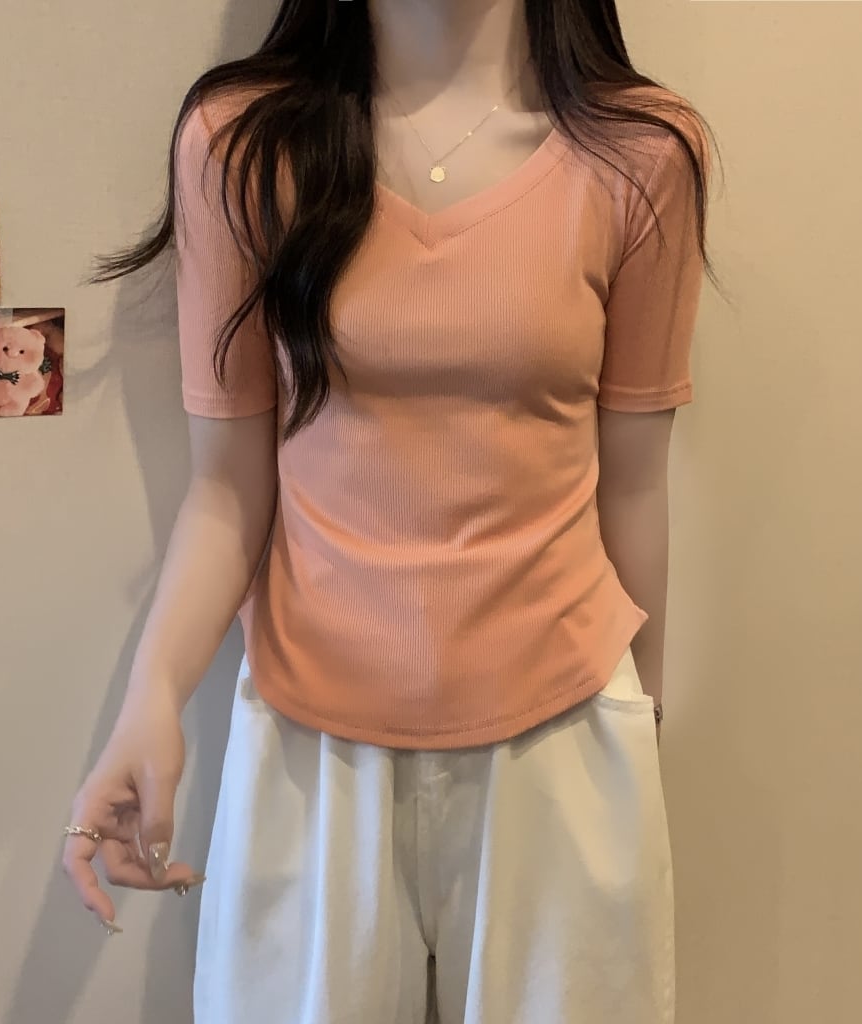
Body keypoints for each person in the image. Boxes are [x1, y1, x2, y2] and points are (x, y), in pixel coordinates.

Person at [62, 0, 715, 1020]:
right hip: (309, 743)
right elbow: (227, 487)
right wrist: (151, 699)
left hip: (563, 735)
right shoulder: (239, 145)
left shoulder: (641, 153)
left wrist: (646, 720)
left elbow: (633, 482)